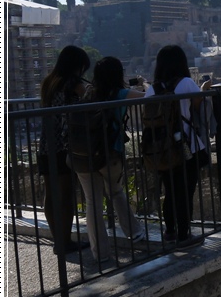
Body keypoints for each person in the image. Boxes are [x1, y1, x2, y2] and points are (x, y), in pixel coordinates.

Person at [74, 57, 146, 263]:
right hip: (109, 153)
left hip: (84, 154)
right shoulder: (120, 93)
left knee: (92, 203)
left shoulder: (88, 92)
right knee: (115, 191)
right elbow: (148, 96)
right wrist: (143, 84)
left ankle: (101, 254)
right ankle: (134, 231)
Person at [144, 45, 211, 248]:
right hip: (185, 145)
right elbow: (196, 107)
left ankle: (170, 231)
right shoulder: (187, 83)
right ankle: (184, 235)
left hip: (161, 148)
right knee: (186, 190)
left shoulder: (151, 89)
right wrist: (204, 90)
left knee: (170, 190)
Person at [39, 45, 91, 255]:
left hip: (45, 146)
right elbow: (85, 105)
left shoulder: (49, 82)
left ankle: (58, 240)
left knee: (51, 195)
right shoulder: (72, 84)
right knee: (66, 194)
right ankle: (65, 242)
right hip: (64, 146)